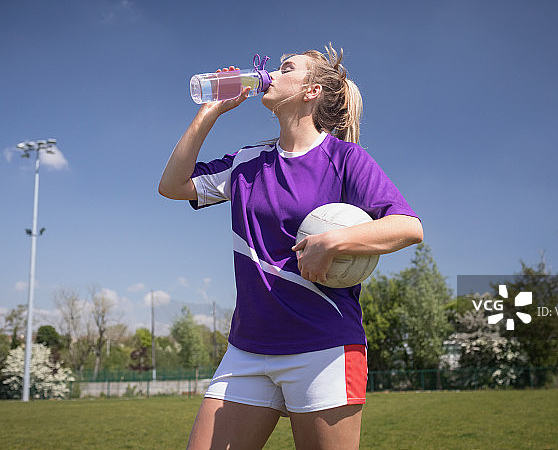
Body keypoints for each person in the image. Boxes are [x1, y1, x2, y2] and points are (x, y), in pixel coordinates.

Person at [158, 45, 423, 450]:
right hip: (247, 348)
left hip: (325, 347)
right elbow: (173, 187)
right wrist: (208, 112)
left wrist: (332, 241)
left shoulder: (345, 159)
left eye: (286, 68)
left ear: (311, 90)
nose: (271, 74)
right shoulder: (247, 161)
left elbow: (408, 227)